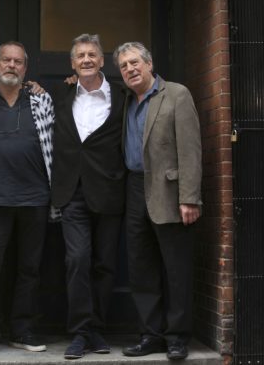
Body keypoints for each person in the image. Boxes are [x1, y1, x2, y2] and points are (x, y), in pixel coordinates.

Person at [113, 42, 202, 360]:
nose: (130, 69)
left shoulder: (176, 94)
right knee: (141, 267)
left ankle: (177, 337)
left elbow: (190, 149)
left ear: (149, 64)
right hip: (134, 188)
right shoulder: (126, 100)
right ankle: (151, 335)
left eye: (135, 62)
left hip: (170, 192)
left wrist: (189, 197)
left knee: (175, 268)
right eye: (124, 66)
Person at [0, 41, 56, 357]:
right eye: (6, 60)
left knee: (30, 268)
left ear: (25, 68)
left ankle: (22, 330)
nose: (11, 66)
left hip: (35, 197)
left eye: (18, 62)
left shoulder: (41, 99)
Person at [51, 34, 126, 360]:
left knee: (105, 265)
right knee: (77, 259)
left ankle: (97, 328)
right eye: (80, 55)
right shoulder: (61, 93)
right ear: (72, 63)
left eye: (91, 54)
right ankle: (80, 332)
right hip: (72, 192)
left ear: (101, 59)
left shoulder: (123, 96)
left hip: (110, 190)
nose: (85, 59)